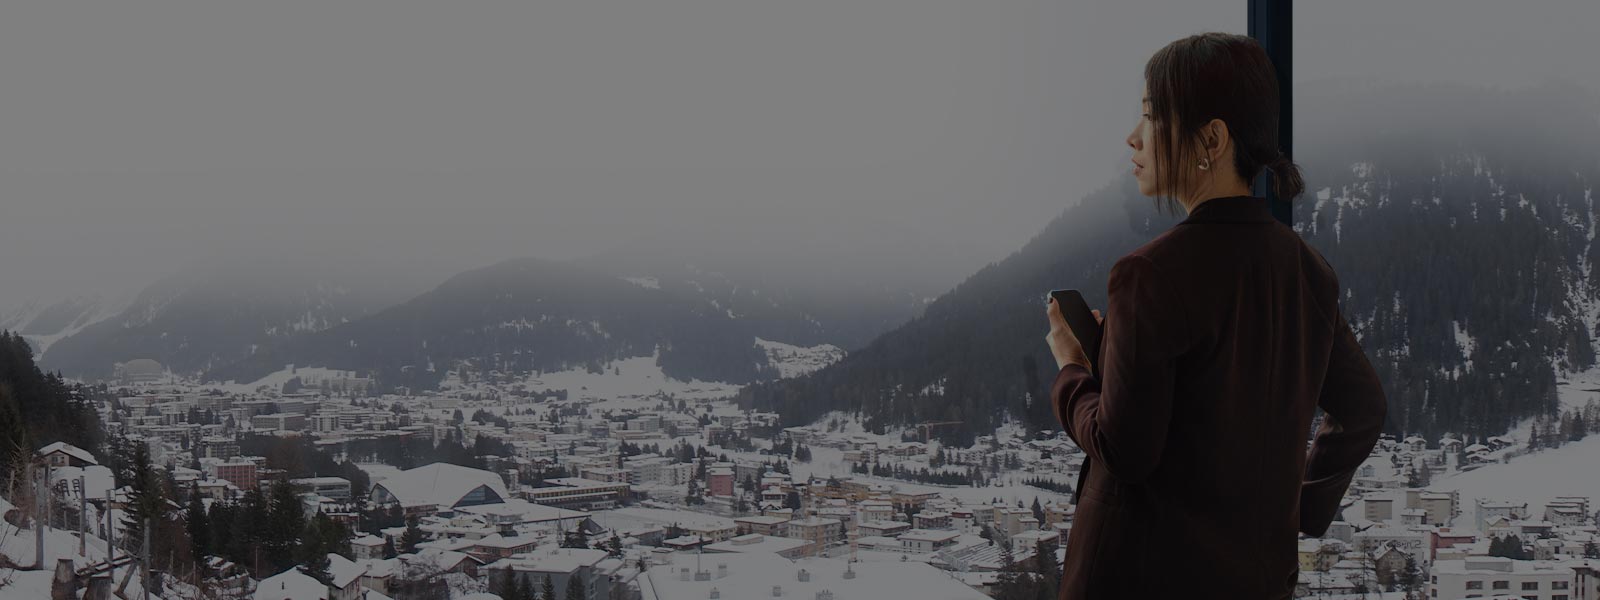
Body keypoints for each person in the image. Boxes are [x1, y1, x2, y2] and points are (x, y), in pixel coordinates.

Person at [1042, 32, 1388, 599]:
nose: (1133, 136)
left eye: (1151, 117)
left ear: (1212, 137)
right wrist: (1296, 507)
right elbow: (1364, 408)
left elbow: (1123, 448)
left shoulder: (1148, 275)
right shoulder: (1309, 271)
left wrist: (1073, 373)